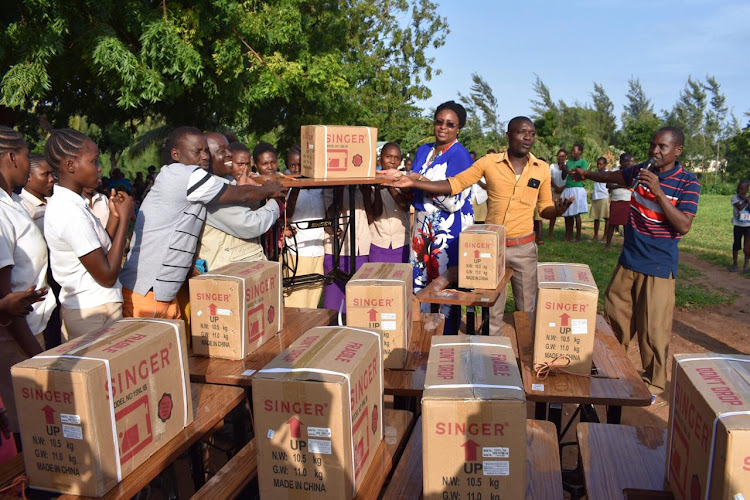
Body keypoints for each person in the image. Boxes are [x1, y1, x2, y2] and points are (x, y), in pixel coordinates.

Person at [384, 116, 572, 335]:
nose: (528, 137)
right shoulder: (489, 162)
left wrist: (557, 211)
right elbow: (455, 183)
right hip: (492, 248)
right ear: (508, 135)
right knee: (491, 310)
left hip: (524, 248)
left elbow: (544, 209)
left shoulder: (540, 169)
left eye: (531, 133)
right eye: (522, 132)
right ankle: (491, 357)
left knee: (525, 309)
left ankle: (525, 358)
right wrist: (415, 182)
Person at [571, 127, 700, 396]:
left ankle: (654, 382)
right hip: (629, 258)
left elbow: (684, 225)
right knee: (615, 315)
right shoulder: (641, 170)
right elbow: (616, 175)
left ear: (678, 150)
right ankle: (610, 367)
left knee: (653, 328)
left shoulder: (688, 182)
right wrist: (586, 174)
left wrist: (658, 192)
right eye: (653, 145)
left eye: (662, 147)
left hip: (658, 265)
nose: (655, 151)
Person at [119, 127, 284, 318]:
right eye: (197, 151)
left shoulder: (191, 179)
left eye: (206, 150)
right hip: (148, 290)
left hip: (163, 291)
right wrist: (271, 193)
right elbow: (242, 199)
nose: (204, 156)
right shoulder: (184, 175)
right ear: (176, 154)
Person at [382, 101, 474, 333]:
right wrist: (398, 178)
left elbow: (453, 201)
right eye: (439, 121)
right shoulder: (424, 151)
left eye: (450, 124)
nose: (443, 127)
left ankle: (446, 340)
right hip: (422, 229)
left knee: (443, 287)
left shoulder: (461, 156)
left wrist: (417, 181)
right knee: (419, 284)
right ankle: (423, 338)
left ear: (458, 128)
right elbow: (413, 186)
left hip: (447, 232)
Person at [44, 129, 134, 341]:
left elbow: (101, 253)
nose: (99, 167)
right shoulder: (69, 212)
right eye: (93, 161)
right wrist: (124, 219)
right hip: (93, 312)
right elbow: (106, 274)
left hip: (96, 307)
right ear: (70, 166)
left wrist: (114, 218)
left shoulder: (77, 204)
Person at [0, 126, 57, 435]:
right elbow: (6, 299)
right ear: (11, 157)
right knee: (31, 432)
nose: (27, 160)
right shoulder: (1, 212)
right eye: (24, 154)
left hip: (30, 333)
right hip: (16, 341)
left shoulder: (12, 203)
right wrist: (36, 359)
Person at [198, 133, 281, 270]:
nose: (229, 154)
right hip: (228, 272)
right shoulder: (211, 190)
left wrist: (252, 191)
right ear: (206, 157)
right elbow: (251, 224)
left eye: (228, 149)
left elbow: (242, 209)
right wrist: (274, 200)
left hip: (245, 268)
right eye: (222, 151)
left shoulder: (228, 182)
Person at [369, 142, 410, 263]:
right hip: (378, 242)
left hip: (401, 242)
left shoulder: (405, 180)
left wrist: (390, 185)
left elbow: (405, 206)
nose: (392, 161)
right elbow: (375, 213)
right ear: (380, 159)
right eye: (388, 157)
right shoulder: (370, 181)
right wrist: (377, 188)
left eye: (396, 158)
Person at [603, 153, 635, 251]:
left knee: (626, 225)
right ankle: (608, 245)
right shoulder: (614, 171)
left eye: (629, 161)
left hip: (627, 200)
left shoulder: (632, 172)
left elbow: (632, 186)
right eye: (625, 161)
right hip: (616, 200)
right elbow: (608, 185)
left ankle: (625, 246)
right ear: (621, 162)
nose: (628, 163)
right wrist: (622, 186)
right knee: (612, 223)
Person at [19, 154, 54, 234]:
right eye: (45, 174)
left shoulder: (55, 200)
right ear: (28, 176)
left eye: (52, 174)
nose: (51, 179)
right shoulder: (23, 207)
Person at [560, 143, 588, 241]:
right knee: (567, 213)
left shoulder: (583, 162)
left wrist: (569, 171)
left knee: (576, 214)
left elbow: (581, 176)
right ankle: (568, 235)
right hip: (568, 188)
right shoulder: (569, 162)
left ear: (579, 151)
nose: (572, 152)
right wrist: (564, 169)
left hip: (577, 189)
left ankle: (578, 236)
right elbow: (564, 177)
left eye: (574, 150)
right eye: (572, 150)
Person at [730, 179, 750, 272]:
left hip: (748, 226)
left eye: (742, 189)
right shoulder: (734, 198)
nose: (740, 191)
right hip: (738, 225)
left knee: (747, 246)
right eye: (739, 188)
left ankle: (746, 265)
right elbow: (740, 207)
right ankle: (735, 264)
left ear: (747, 189)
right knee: (736, 244)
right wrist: (747, 200)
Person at [547, 149, 567, 240]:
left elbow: (569, 180)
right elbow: (550, 178)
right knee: (553, 213)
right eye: (559, 156)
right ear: (557, 157)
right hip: (555, 191)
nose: (561, 158)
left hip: (565, 192)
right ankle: (550, 233)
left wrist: (562, 189)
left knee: (567, 214)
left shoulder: (568, 167)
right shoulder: (552, 166)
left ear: (566, 157)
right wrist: (556, 188)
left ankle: (568, 234)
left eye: (563, 156)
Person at [590, 156, 610, 242]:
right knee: (596, 218)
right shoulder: (595, 173)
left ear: (605, 165)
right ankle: (595, 236)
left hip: (604, 197)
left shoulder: (608, 174)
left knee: (606, 218)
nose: (599, 166)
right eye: (598, 164)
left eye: (601, 164)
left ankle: (605, 236)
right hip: (596, 196)